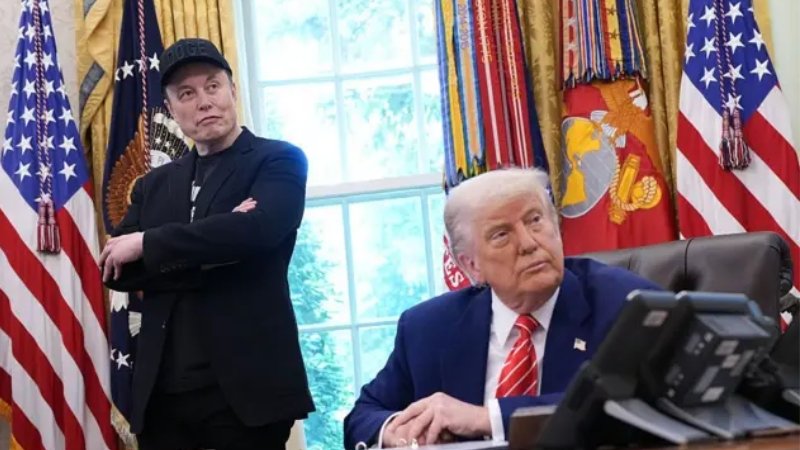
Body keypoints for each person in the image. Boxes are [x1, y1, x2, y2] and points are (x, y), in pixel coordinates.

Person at [343, 167, 664, 448]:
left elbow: (635, 405)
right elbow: (364, 415)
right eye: (501, 235)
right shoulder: (428, 328)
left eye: (535, 220)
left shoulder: (627, 303)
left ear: (556, 227)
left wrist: (487, 418)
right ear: (471, 265)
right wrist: (400, 432)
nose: (529, 243)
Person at [100, 38, 314, 449]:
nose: (204, 102)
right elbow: (117, 269)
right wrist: (221, 239)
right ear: (171, 109)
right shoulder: (152, 186)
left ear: (232, 90)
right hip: (163, 397)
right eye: (187, 94)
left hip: (247, 394)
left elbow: (259, 231)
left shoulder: (278, 160)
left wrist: (149, 243)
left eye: (213, 86)